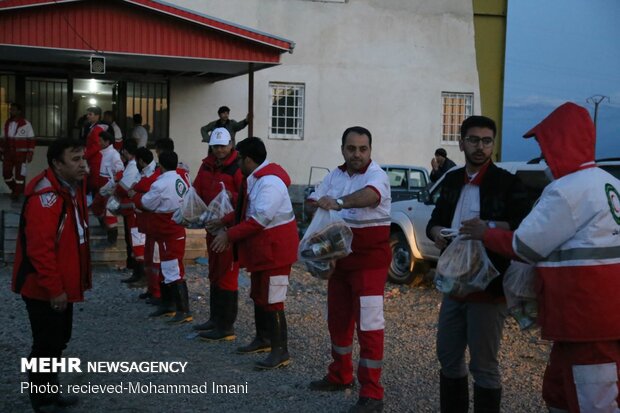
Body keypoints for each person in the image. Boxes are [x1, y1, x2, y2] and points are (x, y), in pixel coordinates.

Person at [460, 103, 620, 413]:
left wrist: (485, 232)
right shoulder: (610, 183)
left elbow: (525, 245)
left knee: (594, 402)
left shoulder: (566, 190)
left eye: (545, 145)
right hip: (603, 315)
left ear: (560, 142)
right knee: (558, 392)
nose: (544, 155)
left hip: (585, 317)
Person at [426, 116, 529, 413]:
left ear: (493, 145)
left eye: (486, 141)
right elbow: (436, 220)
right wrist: (436, 233)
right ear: (461, 143)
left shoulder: (507, 183)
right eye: (473, 140)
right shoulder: (453, 179)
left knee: (484, 365)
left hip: (490, 287)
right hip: (453, 284)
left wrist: (490, 228)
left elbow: (525, 224)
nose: (480, 147)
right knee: (447, 356)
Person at [306, 126, 391, 413]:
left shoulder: (376, 175)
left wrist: (338, 202)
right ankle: (339, 375)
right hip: (339, 262)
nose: (357, 154)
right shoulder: (334, 175)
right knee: (338, 320)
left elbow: (370, 196)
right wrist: (317, 204)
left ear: (370, 149)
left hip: (369, 265)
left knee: (369, 326)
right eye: (351, 148)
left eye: (363, 149)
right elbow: (312, 200)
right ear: (342, 149)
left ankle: (372, 392)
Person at [12, 138, 91, 412]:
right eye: (76, 159)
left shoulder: (70, 188)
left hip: (61, 286)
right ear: (57, 164)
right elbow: (40, 250)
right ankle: (41, 398)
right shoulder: (47, 197)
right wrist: (55, 289)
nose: (83, 165)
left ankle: (50, 390)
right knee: (46, 343)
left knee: (58, 340)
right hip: (43, 288)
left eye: (84, 158)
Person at [209, 137, 298, 369]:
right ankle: (264, 339)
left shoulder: (269, 182)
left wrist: (228, 234)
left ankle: (281, 350)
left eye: (238, 158)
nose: (236, 163)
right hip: (265, 251)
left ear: (248, 159)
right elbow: (246, 209)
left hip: (276, 252)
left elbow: (258, 219)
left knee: (273, 299)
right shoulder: (257, 178)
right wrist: (224, 220)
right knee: (260, 295)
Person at [192, 128, 243, 341]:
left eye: (223, 146)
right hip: (212, 227)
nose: (220, 150)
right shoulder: (207, 165)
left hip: (228, 230)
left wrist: (231, 202)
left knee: (227, 275)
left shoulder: (237, 168)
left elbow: (245, 200)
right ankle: (215, 319)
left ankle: (226, 326)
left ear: (231, 145)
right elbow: (197, 188)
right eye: (216, 146)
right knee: (214, 272)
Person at [131, 151, 191, 324]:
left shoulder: (161, 183)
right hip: (175, 226)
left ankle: (182, 309)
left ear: (161, 165)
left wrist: (135, 197)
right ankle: (169, 304)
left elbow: (147, 202)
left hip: (166, 229)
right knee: (168, 266)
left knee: (172, 267)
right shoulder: (182, 178)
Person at [115, 138, 146, 284]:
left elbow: (122, 187)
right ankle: (137, 272)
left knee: (137, 241)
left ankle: (141, 274)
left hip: (133, 209)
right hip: (131, 209)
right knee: (134, 241)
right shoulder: (133, 166)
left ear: (126, 152)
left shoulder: (132, 166)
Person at [90, 130, 124, 244]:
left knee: (110, 212)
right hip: (101, 186)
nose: (98, 142)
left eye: (100, 141)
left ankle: (112, 237)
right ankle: (106, 226)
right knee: (96, 207)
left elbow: (120, 170)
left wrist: (112, 183)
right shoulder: (101, 153)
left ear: (107, 141)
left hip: (109, 186)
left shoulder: (114, 154)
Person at [1, 103, 35, 200]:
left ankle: (16, 194)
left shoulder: (26, 124)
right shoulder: (7, 123)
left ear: (19, 111)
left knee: (20, 176)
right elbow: (3, 139)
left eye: (14, 110)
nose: (12, 111)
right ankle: (16, 190)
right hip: (8, 154)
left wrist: (30, 153)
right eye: (11, 109)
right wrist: (1, 151)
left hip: (21, 155)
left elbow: (31, 140)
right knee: (6, 173)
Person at [83, 106, 109, 193]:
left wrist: (85, 155)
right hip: (93, 158)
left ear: (97, 116)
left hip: (95, 159)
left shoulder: (98, 128)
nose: (88, 116)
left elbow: (96, 145)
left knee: (94, 184)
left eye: (90, 114)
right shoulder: (93, 127)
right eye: (88, 114)